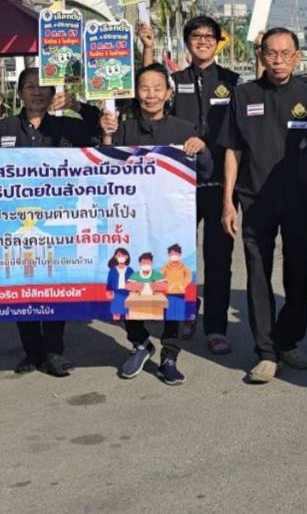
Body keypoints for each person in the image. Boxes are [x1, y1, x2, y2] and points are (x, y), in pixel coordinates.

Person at [0, 67, 100, 378]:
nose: (37, 92)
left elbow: (100, 132)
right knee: (20, 285)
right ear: (19, 93)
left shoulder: (67, 128)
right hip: (12, 224)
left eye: (43, 87)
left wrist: (77, 105)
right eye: (29, 86)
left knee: (54, 284)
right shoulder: (2, 129)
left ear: (52, 93)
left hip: (57, 223)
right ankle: (32, 351)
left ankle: (54, 351)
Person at [218, 27, 307, 383]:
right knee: (258, 274)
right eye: (271, 53)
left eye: (285, 54)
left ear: (297, 57)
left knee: (299, 272)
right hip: (255, 199)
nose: (278, 60)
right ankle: (265, 351)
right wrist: (228, 202)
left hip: (301, 200)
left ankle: (288, 341)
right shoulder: (243, 95)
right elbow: (232, 151)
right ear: (261, 55)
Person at [100, 63, 208, 385]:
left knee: (173, 288)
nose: (151, 94)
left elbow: (206, 170)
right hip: (130, 223)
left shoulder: (183, 128)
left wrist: (201, 150)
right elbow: (103, 168)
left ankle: (170, 355)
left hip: (172, 225)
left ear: (168, 93)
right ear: (136, 93)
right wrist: (107, 134)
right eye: (144, 88)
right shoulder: (123, 129)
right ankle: (140, 343)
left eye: (157, 88)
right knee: (128, 284)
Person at [141, 17, 240, 355]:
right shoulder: (175, 80)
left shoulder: (233, 81)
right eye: (196, 35)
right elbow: (149, 86)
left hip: (220, 183)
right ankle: (184, 310)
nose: (203, 41)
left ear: (218, 42)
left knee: (218, 257)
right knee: (176, 255)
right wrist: (148, 47)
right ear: (187, 42)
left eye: (209, 36)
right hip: (177, 185)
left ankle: (216, 327)